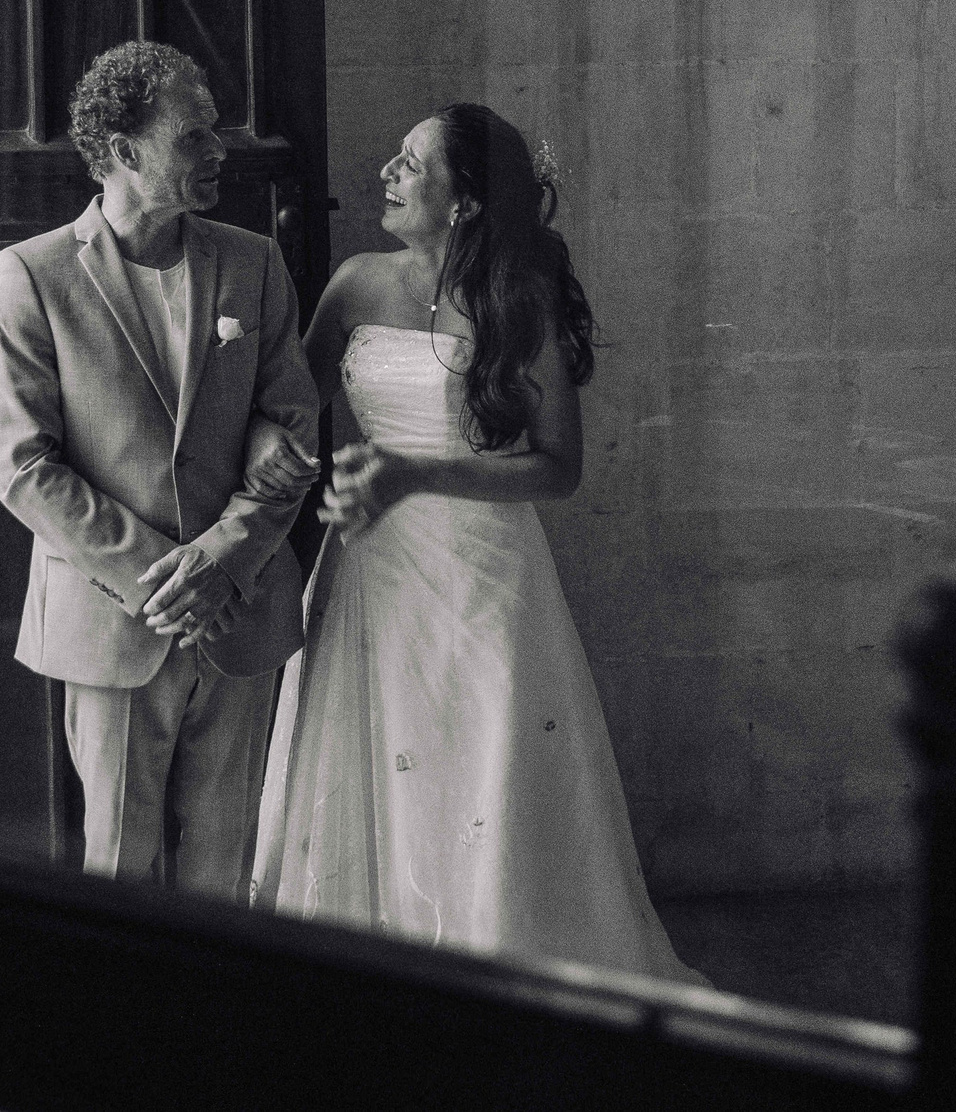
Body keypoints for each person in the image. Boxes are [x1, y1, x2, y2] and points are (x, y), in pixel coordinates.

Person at [251, 103, 700, 981]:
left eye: (411, 163)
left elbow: (558, 468)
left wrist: (415, 475)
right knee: (373, 759)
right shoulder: (354, 284)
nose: (387, 172)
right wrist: (277, 451)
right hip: (370, 573)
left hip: (486, 578)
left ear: (461, 203)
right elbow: (290, 413)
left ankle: (493, 973)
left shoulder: (514, 299)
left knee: (481, 767)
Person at [0, 41, 322, 899]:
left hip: (240, 610)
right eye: (194, 135)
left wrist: (223, 559)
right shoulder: (32, 273)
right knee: (119, 865)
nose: (218, 153)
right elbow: (24, 467)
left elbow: (291, 423)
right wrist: (160, 579)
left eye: (215, 133)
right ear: (124, 150)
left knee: (227, 858)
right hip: (111, 622)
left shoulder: (254, 262)